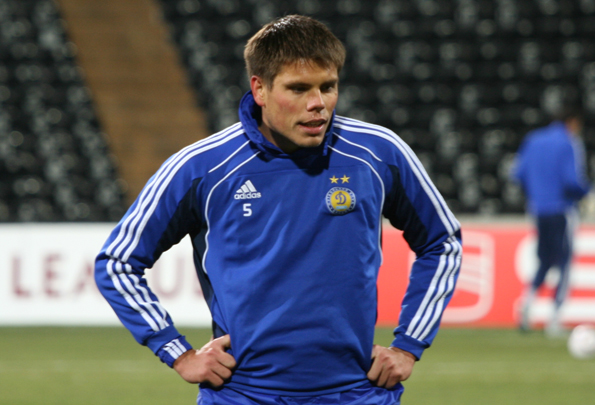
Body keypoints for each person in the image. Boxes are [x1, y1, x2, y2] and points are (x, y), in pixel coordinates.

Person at [95, 15, 462, 404]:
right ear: (260, 89)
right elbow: (117, 263)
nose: (318, 104)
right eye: (298, 88)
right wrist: (177, 352)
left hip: (356, 393)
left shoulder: (377, 153)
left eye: (328, 86)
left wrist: (408, 345)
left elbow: (442, 242)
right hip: (242, 395)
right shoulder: (203, 168)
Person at [513, 104, 591, 336]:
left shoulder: (533, 139)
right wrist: (586, 193)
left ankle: (527, 303)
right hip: (561, 209)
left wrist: (537, 193)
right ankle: (555, 318)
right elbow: (571, 180)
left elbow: (518, 173)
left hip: (538, 209)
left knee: (545, 260)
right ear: (572, 122)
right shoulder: (569, 142)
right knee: (564, 262)